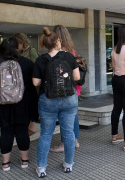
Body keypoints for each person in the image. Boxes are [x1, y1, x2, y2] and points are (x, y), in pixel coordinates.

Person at [0, 37, 39, 171]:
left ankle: (5, 164)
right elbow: (34, 83)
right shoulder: (26, 63)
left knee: (6, 132)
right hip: (23, 104)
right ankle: (24, 161)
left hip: (1, 106)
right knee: (22, 131)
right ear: (17, 48)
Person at [33, 27, 80, 177]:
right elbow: (77, 77)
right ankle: (68, 165)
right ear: (58, 41)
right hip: (69, 100)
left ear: (45, 44)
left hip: (48, 101)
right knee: (68, 132)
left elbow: (35, 82)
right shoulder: (68, 57)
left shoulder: (40, 59)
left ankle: (41, 168)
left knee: (46, 134)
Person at [50, 25, 81, 153]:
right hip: (73, 88)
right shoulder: (71, 50)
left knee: (63, 116)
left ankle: (64, 143)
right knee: (72, 114)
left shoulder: (57, 53)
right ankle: (75, 141)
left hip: (62, 88)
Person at [13, 33, 39, 136]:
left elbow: (37, 67)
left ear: (21, 42)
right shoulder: (19, 53)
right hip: (21, 84)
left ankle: (31, 127)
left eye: (17, 43)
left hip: (30, 84)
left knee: (30, 105)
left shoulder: (31, 51)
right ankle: (24, 126)